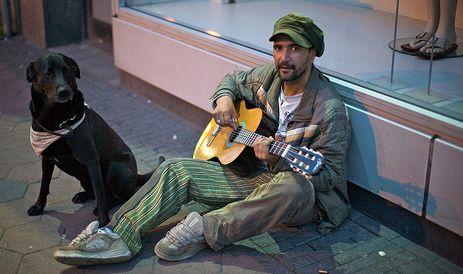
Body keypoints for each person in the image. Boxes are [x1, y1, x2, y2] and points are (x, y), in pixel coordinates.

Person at [53, 12, 351, 266]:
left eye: (295, 49)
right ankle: (117, 236)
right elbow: (232, 80)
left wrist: (277, 159)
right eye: (278, 48)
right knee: (174, 168)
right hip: (254, 174)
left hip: (299, 194)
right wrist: (224, 101)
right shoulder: (269, 77)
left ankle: (204, 228)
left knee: (294, 187)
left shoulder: (329, 111)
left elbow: (332, 176)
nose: (284, 58)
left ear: (313, 53)